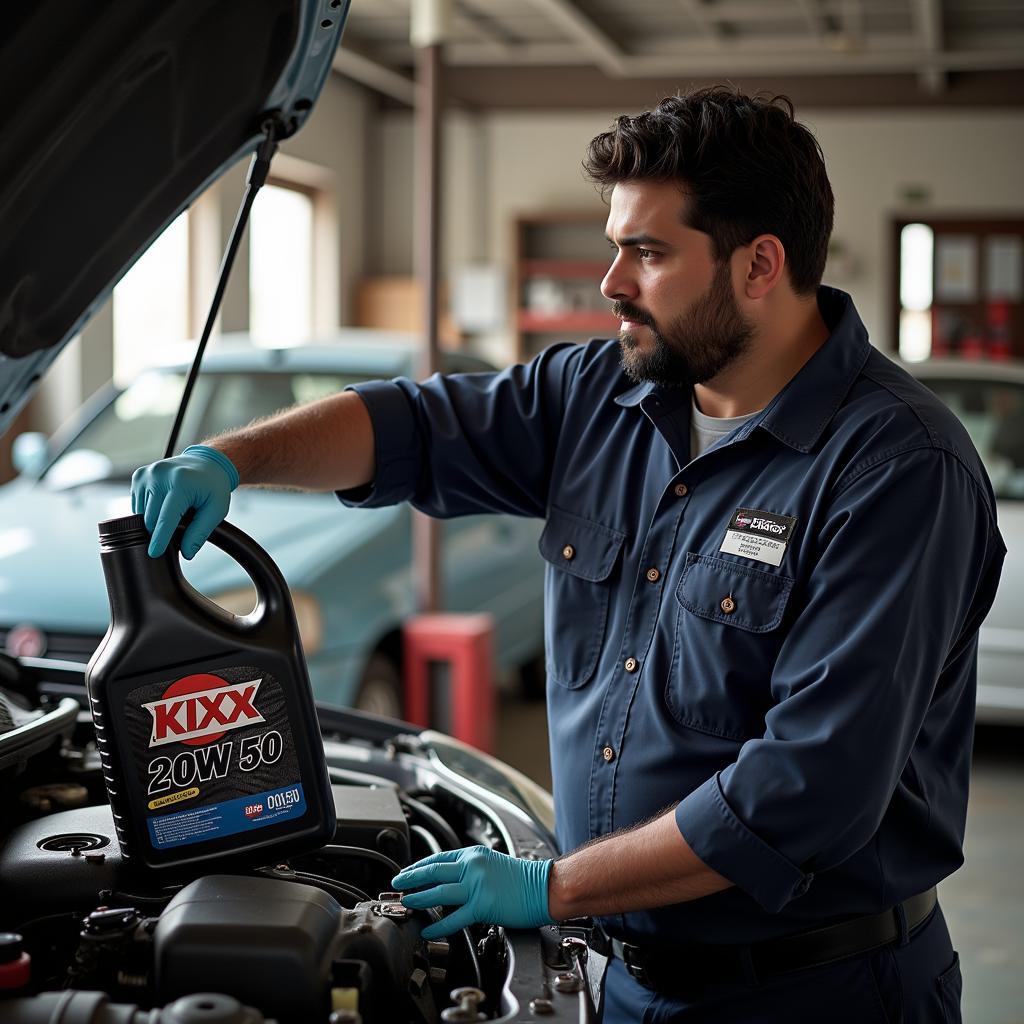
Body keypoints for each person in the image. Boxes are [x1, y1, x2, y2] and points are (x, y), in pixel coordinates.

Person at [132, 87, 1005, 1023]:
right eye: (615, 244)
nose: (612, 282)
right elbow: (414, 428)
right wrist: (234, 459)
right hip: (622, 979)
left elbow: (807, 791)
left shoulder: (896, 469)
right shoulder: (602, 395)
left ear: (760, 266)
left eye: (650, 251)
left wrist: (547, 891)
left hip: (816, 993)